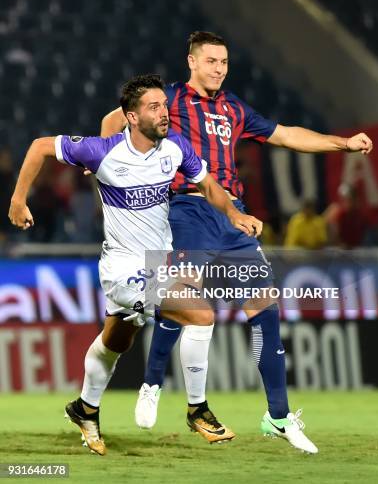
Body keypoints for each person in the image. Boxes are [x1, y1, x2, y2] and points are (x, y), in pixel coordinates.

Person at [101, 31, 373, 455]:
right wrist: (110, 163)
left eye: (224, 62)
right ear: (191, 62)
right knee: (180, 300)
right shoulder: (168, 98)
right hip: (185, 209)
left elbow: (285, 134)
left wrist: (342, 143)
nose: (219, 69)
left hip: (233, 217)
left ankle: (278, 417)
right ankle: (152, 383)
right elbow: (112, 123)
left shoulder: (233, 108)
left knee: (265, 310)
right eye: (211, 61)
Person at [8, 74, 263, 455]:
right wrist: (18, 200)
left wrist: (231, 212)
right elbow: (40, 146)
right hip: (123, 266)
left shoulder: (174, 147)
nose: (165, 113)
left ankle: (84, 408)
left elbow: (208, 183)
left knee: (116, 342)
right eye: (154, 107)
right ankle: (198, 409)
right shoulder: (103, 151)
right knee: (201, 315)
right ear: (131, 116)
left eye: (165, 105)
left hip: (159, 260)